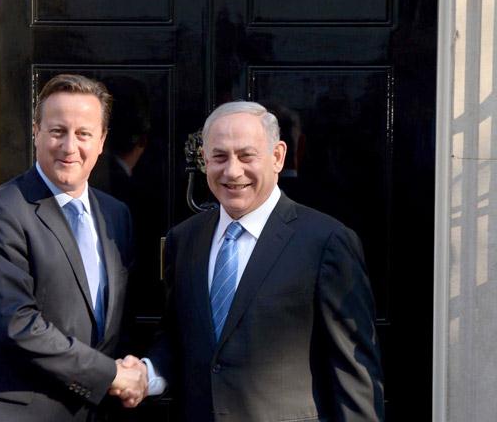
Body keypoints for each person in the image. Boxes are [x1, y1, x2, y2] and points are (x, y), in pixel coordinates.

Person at [115, 101, 384, 421]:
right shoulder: (184, 240)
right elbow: (179, 336)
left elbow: (353, 375)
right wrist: (147, 374)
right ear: (204, 159)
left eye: (246, 156)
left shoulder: (326, 242)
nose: (232, 171)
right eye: (219, 156)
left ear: (278, 156)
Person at [0, 74, 147, 421]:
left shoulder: (117, 216)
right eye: (57, 131)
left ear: (102, 141)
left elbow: (116, 322)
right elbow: (16, 324)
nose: (70, 146)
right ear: (36, 132)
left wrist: (140, 370)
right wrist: (112, 375)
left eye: (83, 133)